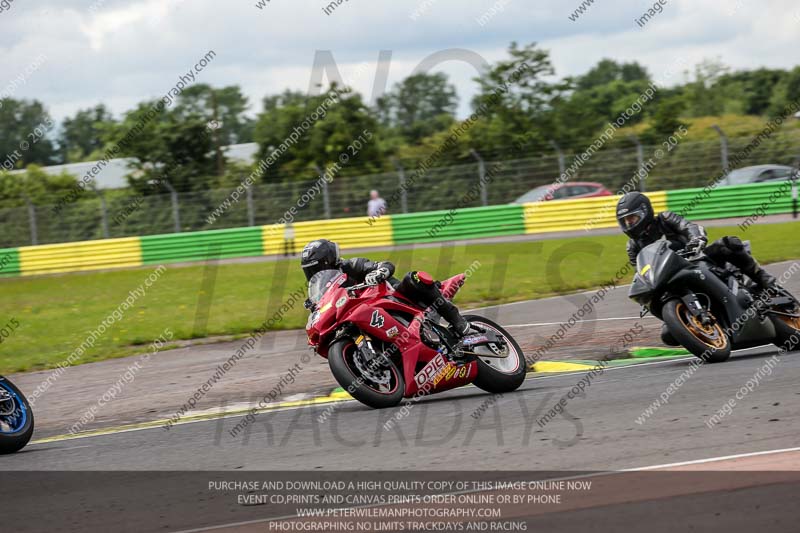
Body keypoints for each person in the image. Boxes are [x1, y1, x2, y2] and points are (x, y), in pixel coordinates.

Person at [300, 239, 471, 338]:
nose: (314, 273)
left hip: (394, 297)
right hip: (366, 318)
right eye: (310, 270)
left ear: (328, 260)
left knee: (413, 278)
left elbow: (384, 265)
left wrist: (380, 272)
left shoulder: (350, 265)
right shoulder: (323, 289)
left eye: (316, 267)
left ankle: (456, 319)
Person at [616, 192, 777, 291]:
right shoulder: (633, 246)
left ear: (645, 212)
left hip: (696, 259)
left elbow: (690, 227)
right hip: (670, 276)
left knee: (728, 244)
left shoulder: (665, 219)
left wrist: (696, 240)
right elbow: (641, 271)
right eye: (626, 221)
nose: (629, 224)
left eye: (632, 218)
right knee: (668, 335)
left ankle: (765, 281)